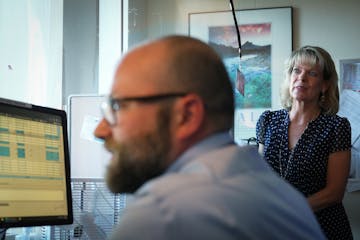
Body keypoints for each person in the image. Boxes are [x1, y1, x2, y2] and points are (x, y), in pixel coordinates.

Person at [94, 35, 325, 240]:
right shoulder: (280, 194)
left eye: (117, 106)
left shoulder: (164, 211)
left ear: (187, 115)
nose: (100, 130)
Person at [256, 45, 353, 239]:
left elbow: (335, 192)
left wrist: (289, 209)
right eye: (296, 70)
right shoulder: (267, 120)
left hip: (321, 228)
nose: (301, 77)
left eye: (312, 73)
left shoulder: (336, 127)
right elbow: (260, 176)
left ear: (324, 85)